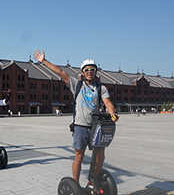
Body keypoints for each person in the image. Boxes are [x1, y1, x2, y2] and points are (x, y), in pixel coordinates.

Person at [33, 49, 119, 183]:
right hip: (80, 127)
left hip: (96, 127)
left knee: (100, 157)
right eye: (87, 70)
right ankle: (76, 184)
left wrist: (112, 112)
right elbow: (61, 72)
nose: (89, 72)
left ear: (95, 72)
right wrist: (44, 61)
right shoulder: (77, 85)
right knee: (79, 156)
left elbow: (107, 102)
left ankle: (92, 181)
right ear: (82, 72)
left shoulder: (101, 88)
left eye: (92, 69)